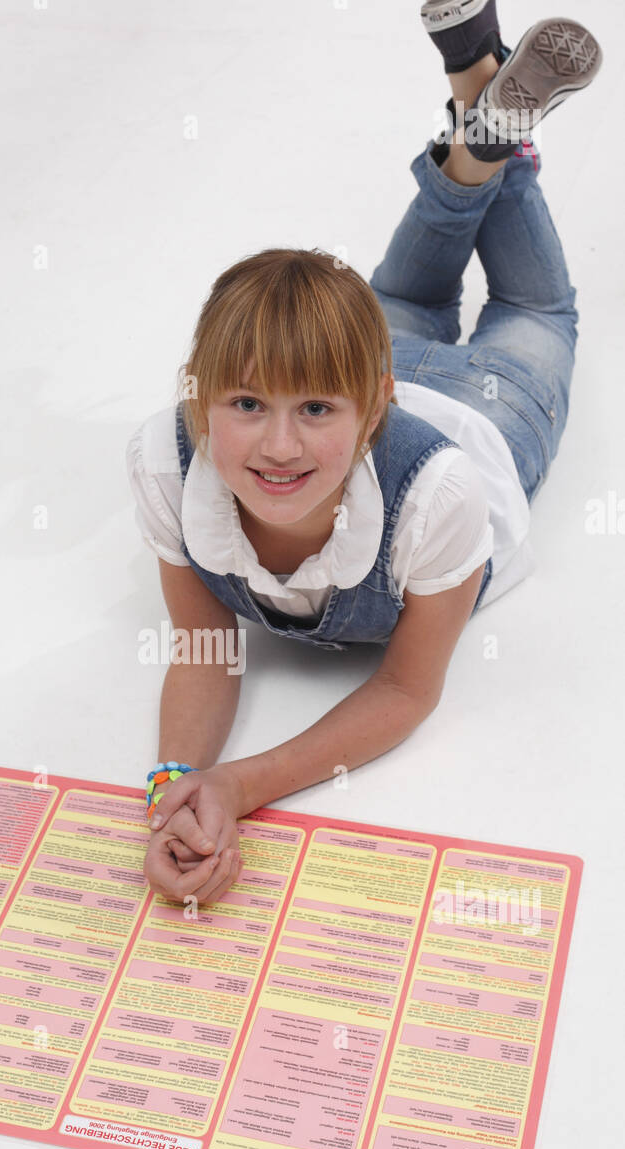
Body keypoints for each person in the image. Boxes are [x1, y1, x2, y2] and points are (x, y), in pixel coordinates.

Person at [125, 4, 603, 905]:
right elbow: (201, 647)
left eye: (308, 413)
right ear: (199, 394)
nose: (276, 445)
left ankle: (481, 101)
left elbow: (404, 691)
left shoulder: (442, 496)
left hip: (482, 410)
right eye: (244, 405)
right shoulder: (165, 460)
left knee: (531, 314)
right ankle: (479, 102)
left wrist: (240, 786)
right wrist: (175, 790)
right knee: (401, 293)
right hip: (356, 356)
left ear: (372, 401)